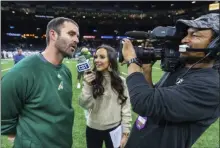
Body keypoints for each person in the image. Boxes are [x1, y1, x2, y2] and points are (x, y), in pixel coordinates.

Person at [121, 13, 220, 148]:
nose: (185, 39)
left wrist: (132, 61)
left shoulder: (211, 86)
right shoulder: (182, 68)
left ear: (216, 45)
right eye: (186, 34)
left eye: (195, 35)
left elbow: (144, 102)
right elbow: (153, 106)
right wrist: (146, 70)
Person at [1, 17, 79, 148]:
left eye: (77, 36)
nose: (76, 40)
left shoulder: (66, 71)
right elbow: (4, 112)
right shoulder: (22, 71)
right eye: (71, 34)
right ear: (53, 34)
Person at [79, 45, 132, 148]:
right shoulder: (90, 79)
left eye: (102, 57)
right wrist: (88, 86)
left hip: (114, 129)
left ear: (111, 60)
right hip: (93, 128)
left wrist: (125, 132)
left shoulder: (121, 82)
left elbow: (126, 108)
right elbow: (84, 104)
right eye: (96, 57)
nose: (97, 60)